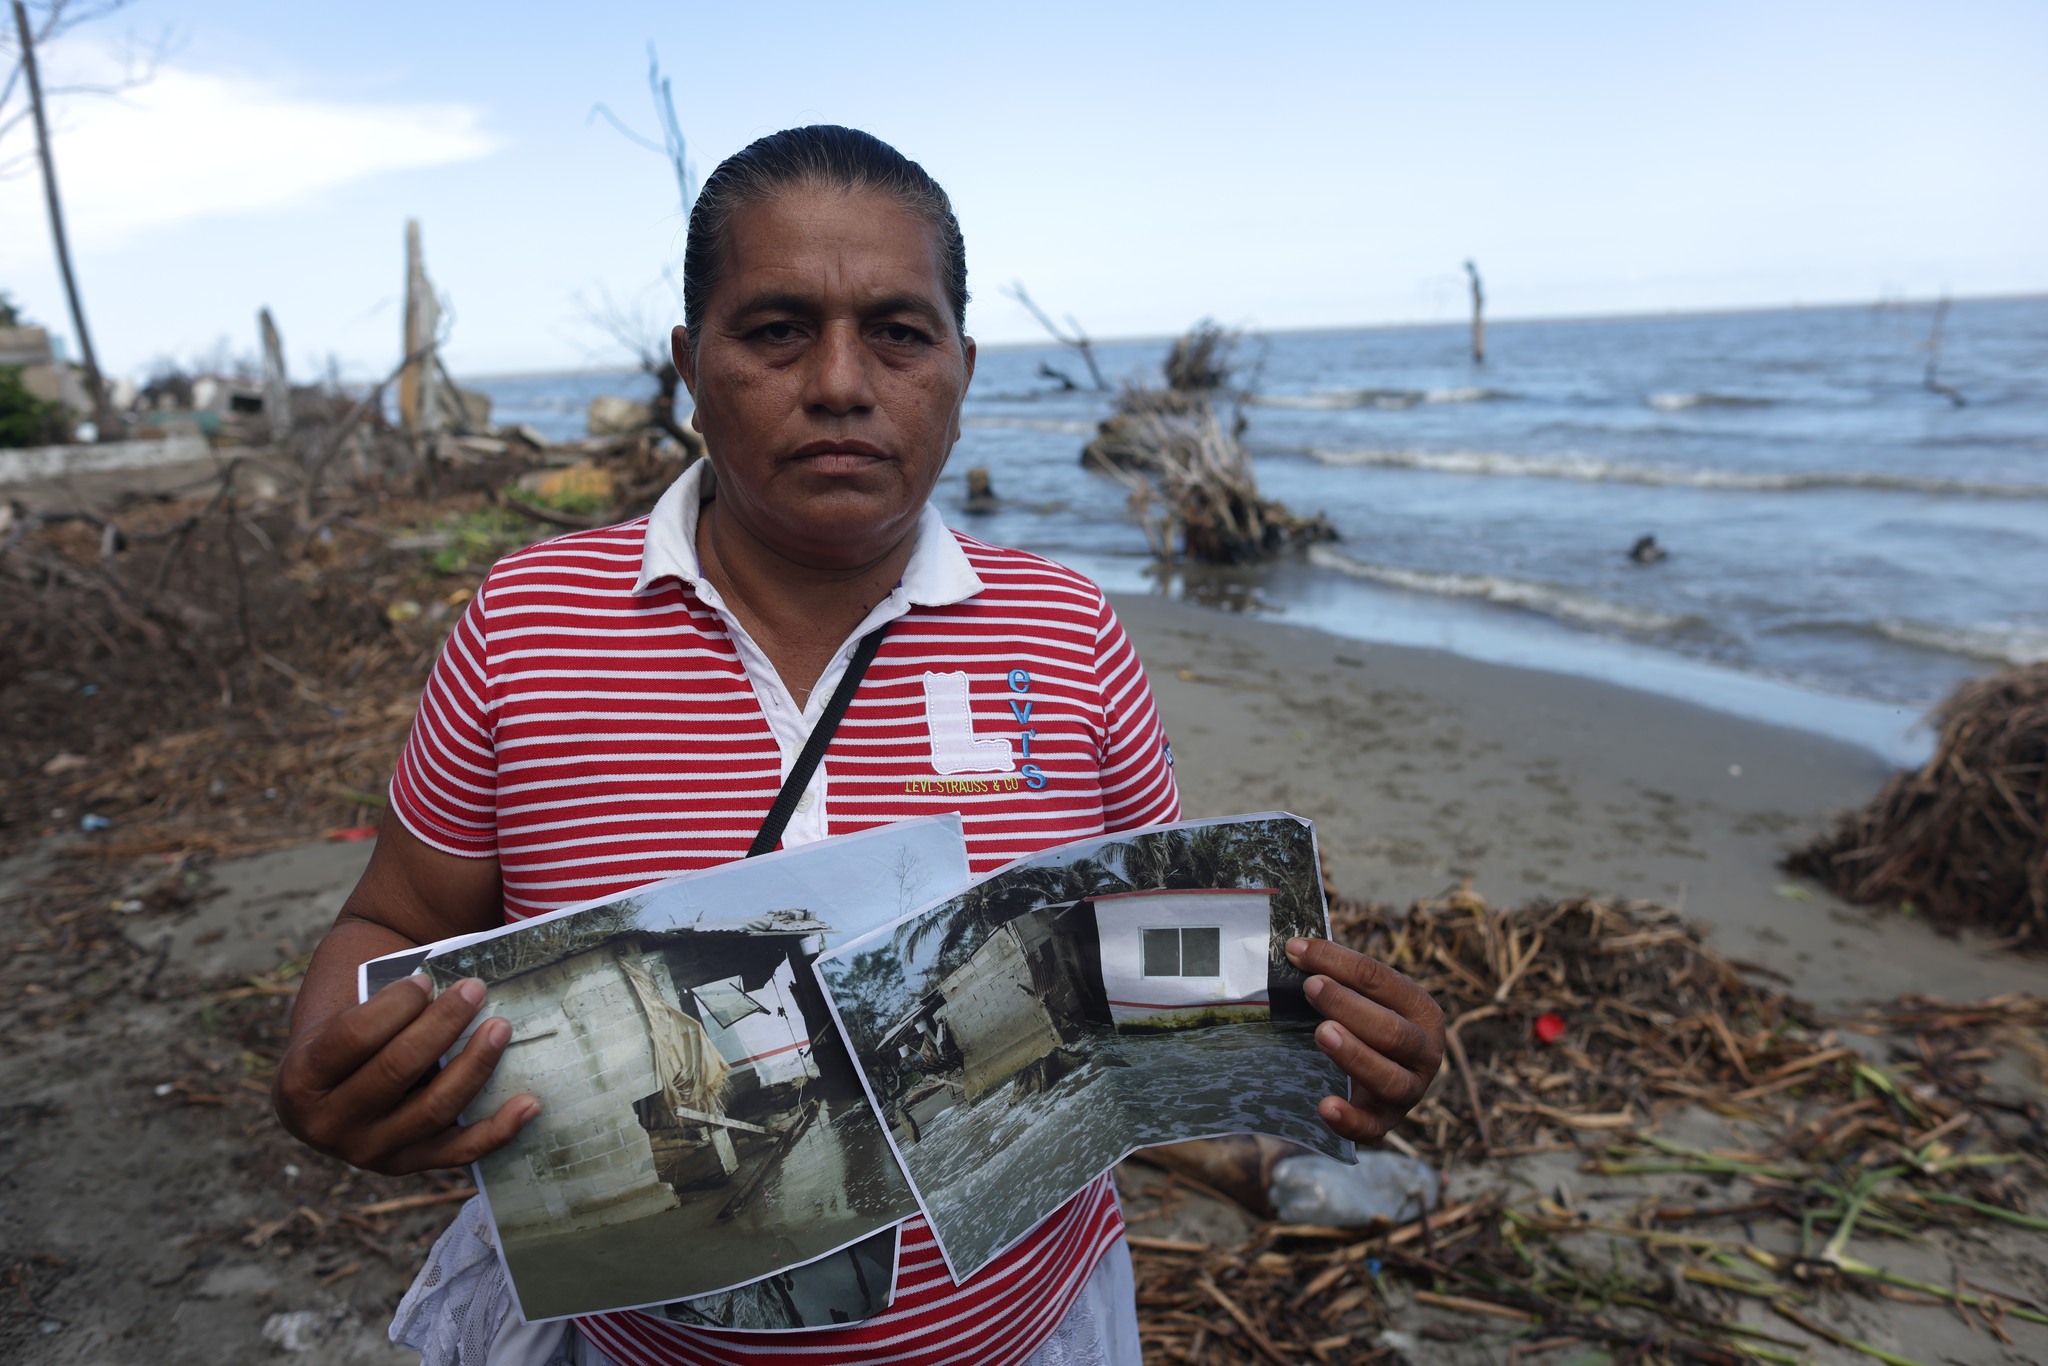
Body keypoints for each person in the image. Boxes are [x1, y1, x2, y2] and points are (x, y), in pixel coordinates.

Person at [273, 125, 1445, 1366]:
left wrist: (1316, 1043)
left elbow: (1147, 981)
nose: (839, 380)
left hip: (1030, 1335)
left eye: (898, 330)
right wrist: (322, 1067)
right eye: (775, 329)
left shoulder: (1066, 631)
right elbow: (391, 922)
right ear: (689, 363)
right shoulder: (532, 626)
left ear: (961, 365)